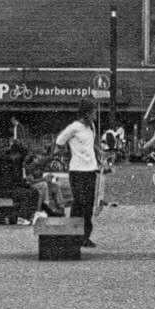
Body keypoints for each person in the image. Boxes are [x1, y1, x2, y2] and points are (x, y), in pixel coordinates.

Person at [56, 99, 102, 247]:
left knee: (88, 205)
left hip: (91, 170)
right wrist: (66, 153)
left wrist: (99, 154)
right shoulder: (74, 127)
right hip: (77, 170)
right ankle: (72, 234)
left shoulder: (92, 127)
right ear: (87, 113)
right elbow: (60, 141)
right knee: (79, 202)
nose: (96, 115)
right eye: (94, 112)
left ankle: (85, 236)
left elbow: (91, 145)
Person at [0, 137, 41, 222]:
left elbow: (18, 180)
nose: (22, 159)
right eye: (21, 156)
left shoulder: (16, 162)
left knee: (34, 191)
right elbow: (8, 181)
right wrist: (24, 185)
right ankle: (22, 217)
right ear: (16, 154)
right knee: (27, 193)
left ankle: (28, 216)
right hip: (3, 189)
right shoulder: (6, 162)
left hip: (10, 187)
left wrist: (25, 184)